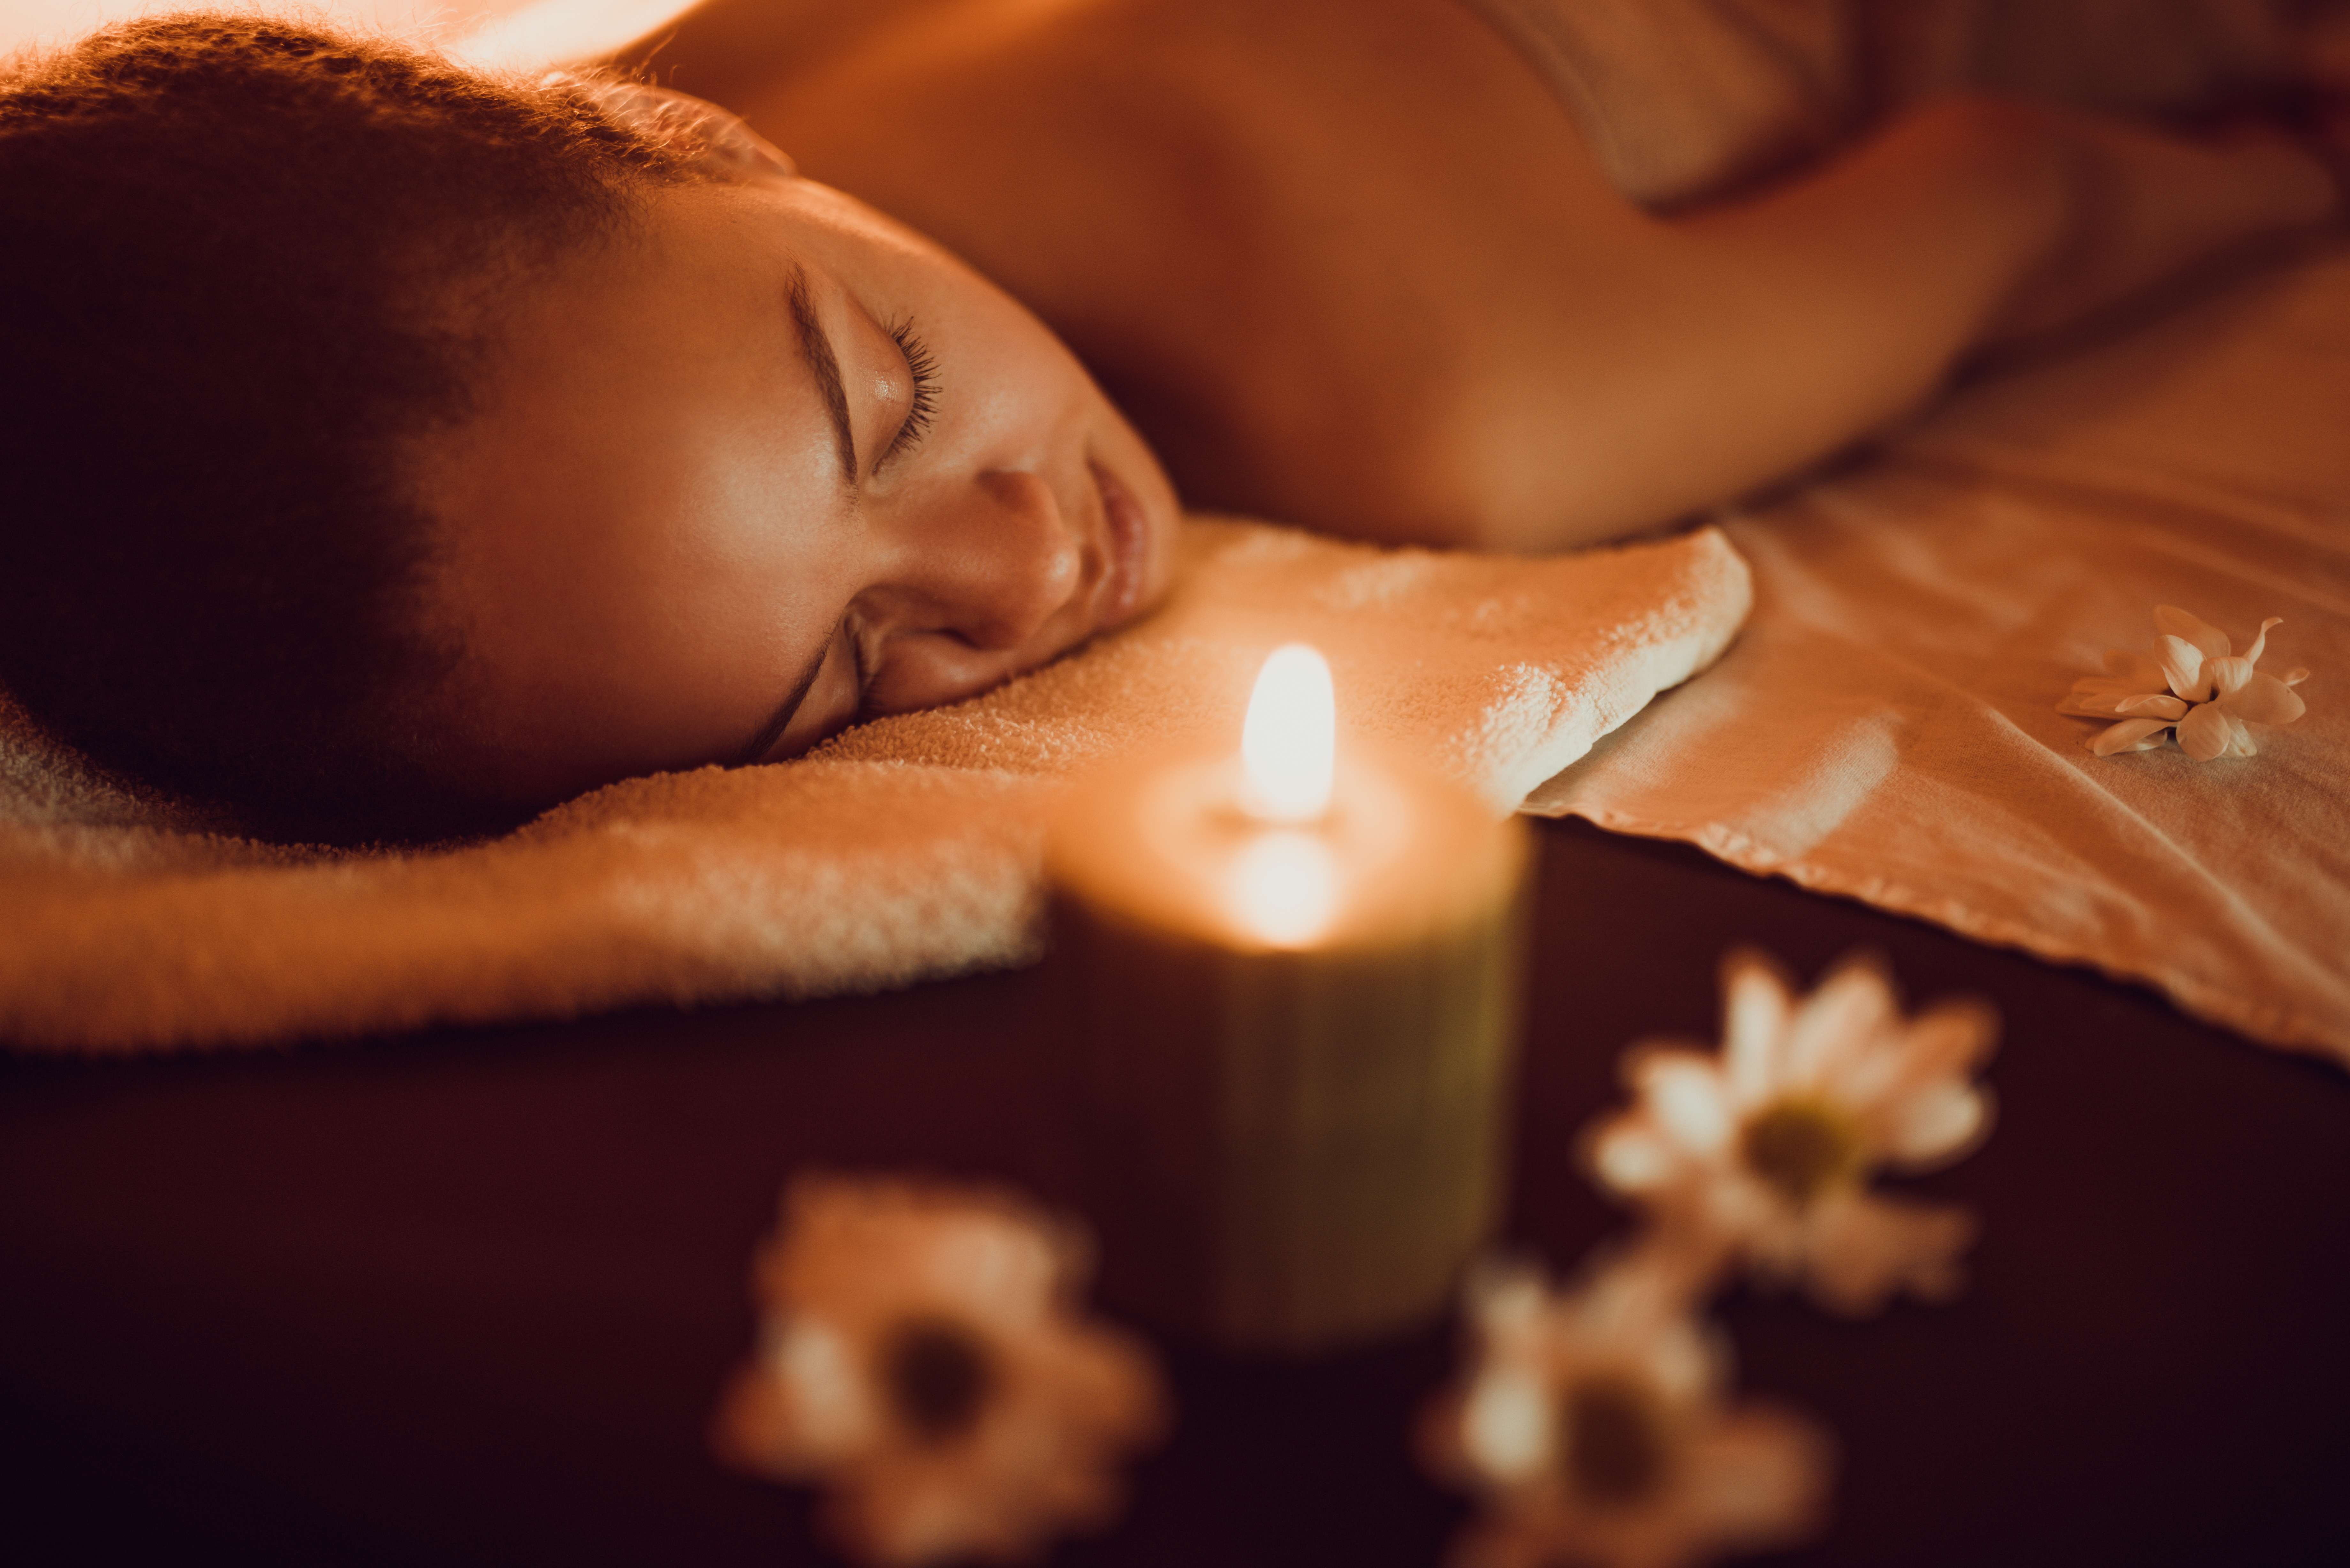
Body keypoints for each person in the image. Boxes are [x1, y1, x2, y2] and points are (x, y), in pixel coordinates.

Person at [0, 1, 2338, 844]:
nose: (1030, 566)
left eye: (891, 394)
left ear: (673, 140)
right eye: (848, 676)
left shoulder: (1458, 403)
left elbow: (2019, 192)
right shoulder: (608, 164)